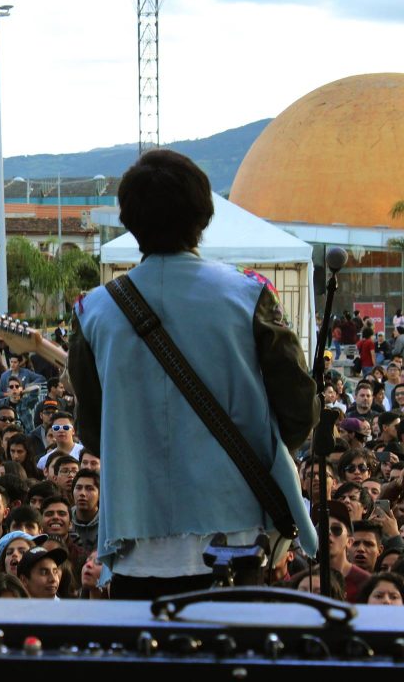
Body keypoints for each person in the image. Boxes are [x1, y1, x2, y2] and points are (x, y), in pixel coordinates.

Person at [69, 150, 318, 599]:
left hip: (134, 544)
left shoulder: (93, 311)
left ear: (129, 219)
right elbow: (300, 409)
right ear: (203, 216)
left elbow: (92, 429)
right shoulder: (248, 294)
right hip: (236, 540)